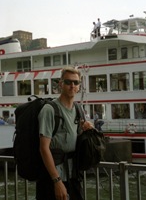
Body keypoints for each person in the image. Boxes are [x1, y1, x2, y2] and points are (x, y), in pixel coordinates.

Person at [37, 67, 93, 200]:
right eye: (68, 82)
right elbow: (44, 148)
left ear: (79, 86)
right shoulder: (49, 110)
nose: (72, 86)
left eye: (76, 82)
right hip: (52, 178)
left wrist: (87, 129)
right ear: (61, 84)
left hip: (73, 175)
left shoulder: (78, 109)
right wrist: (57, 181)